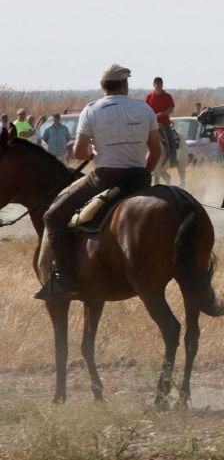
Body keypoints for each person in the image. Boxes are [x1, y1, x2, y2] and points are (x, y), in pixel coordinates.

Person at [38, 64, 160, 300]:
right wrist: (144, 173)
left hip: (105, 177)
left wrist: (93, 153)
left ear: (102, 87)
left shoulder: (91, 110)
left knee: (52, 216)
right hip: (139, 178)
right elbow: (155, 150)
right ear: (125, 85)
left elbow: (79, 152)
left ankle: (65, 280)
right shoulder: (143, 108)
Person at [145, 77, 177, 164]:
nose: (159, 86)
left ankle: (173, 160)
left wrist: (159, 114)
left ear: (162, 84)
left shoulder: (167, 96)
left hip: (164, 124)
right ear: (153, 85)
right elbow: (146, 110)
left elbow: (170, 109)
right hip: (151, 125)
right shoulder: (149, 97)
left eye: (160, 84)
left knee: (171, 139)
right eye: (157, 84)